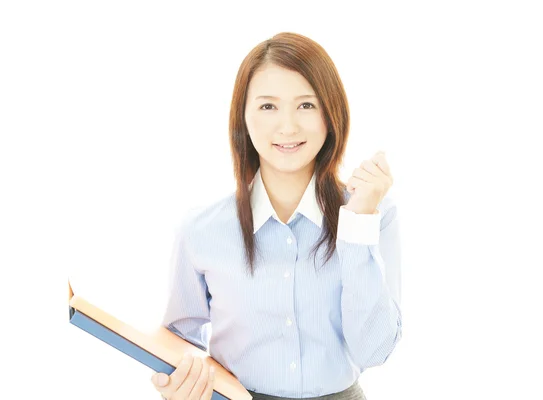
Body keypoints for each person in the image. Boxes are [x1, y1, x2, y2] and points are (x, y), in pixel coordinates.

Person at [151, 32, 402, 400]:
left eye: (306, 105)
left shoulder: (375, 214)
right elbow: (177, 344)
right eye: (268, 106)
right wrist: (177, 384)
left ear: (331, 115)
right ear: (244, 116)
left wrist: (358, 221)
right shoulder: (201, 230)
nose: (287, 126)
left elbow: (374, 350)